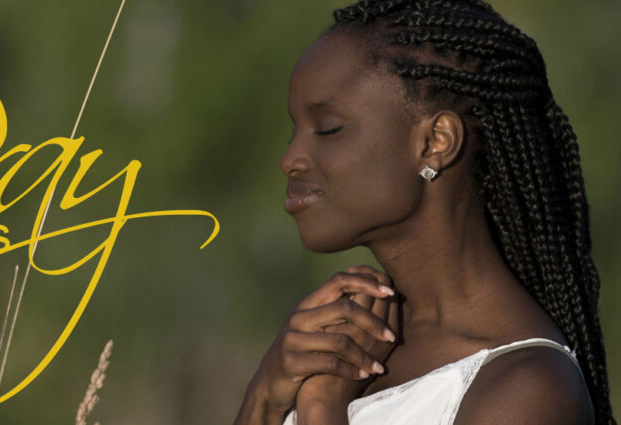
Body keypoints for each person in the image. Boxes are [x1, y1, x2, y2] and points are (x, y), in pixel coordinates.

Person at [233, 0, 616, 424]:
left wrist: (322, 406)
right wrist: (265, 394)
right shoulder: (343, 340)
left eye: (328, 129)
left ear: (435, 141)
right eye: (294, 130)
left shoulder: (529, 389)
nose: (290, 159)